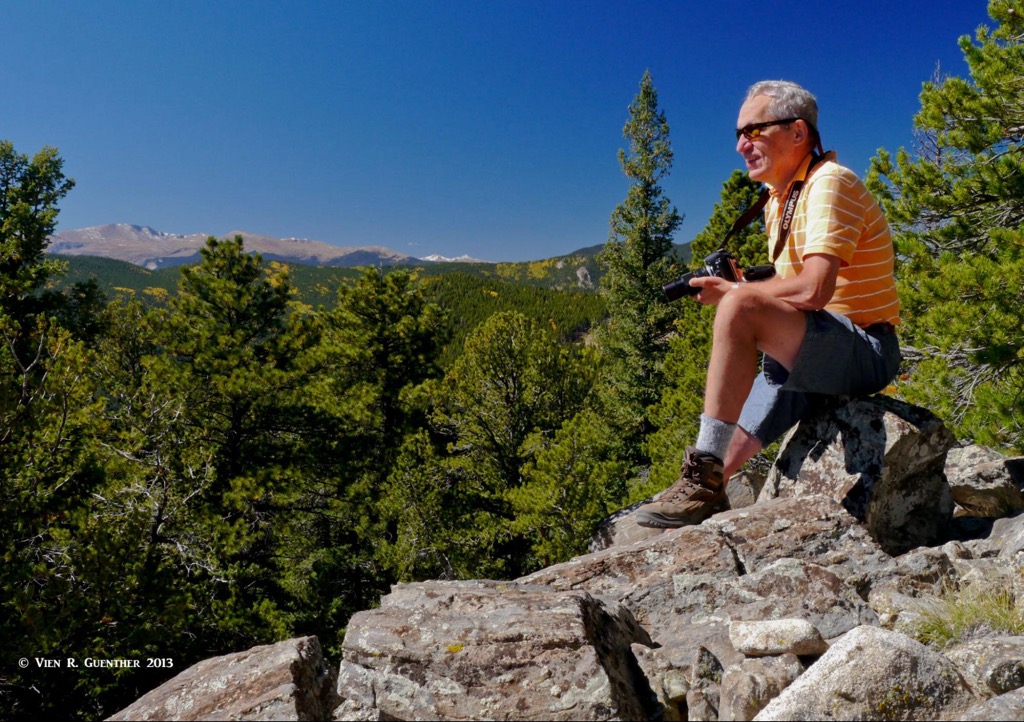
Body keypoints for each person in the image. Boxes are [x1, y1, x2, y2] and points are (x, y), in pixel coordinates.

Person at [636, 80, 902, 528]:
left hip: (867, 348)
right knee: (768, 362)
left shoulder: (828, 183)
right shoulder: (780, 199)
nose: (741, 144)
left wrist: (740, 297)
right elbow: (790, 283)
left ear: (798, 132)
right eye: (738, 134)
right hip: (820, 344)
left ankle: (701, 478)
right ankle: (708, 479)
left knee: (740, 309)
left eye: (753, 130)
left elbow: (815, 288)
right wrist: (747, 286)